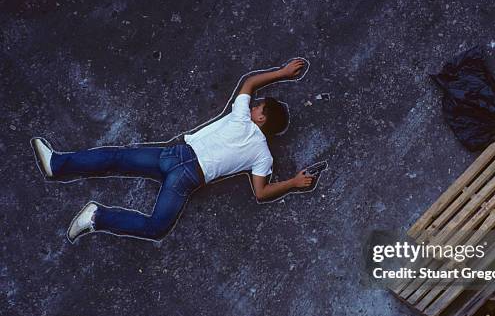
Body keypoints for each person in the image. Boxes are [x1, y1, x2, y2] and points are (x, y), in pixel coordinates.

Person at [31, 58, 313, 242]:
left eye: (258, 107)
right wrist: (294, 183)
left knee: (118, 158)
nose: (253, 106)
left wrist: (283, 73)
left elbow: (249, 83)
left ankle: (58, 164)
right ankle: (96, 216)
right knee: (157, 227)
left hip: (176, 155)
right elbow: (262, 193)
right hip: (188, 177)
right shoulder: (262, 155)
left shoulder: (242, 119)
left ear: (261, 118)